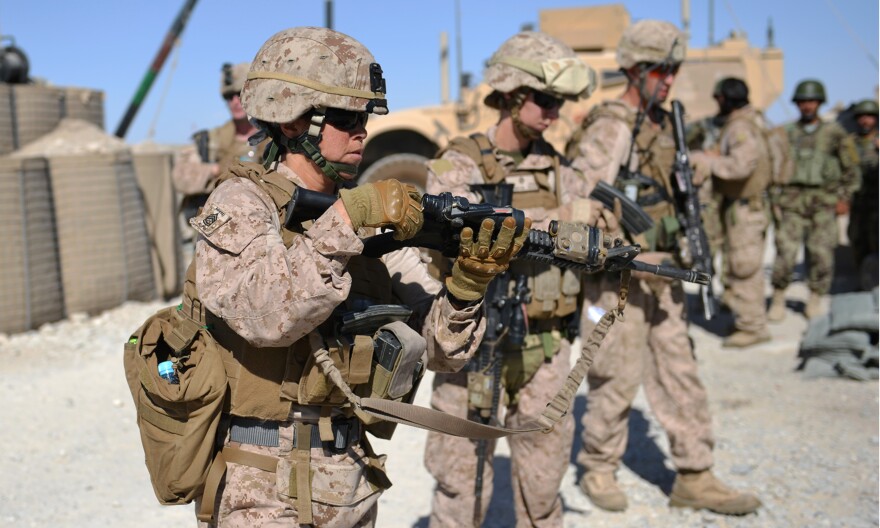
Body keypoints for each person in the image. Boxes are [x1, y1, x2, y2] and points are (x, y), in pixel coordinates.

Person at [188, 26, 528, 527]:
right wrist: (346, 222)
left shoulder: (364, 214)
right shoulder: (241, 204)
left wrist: (467, 287)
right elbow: (266, 318)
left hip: (349, 477)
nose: (361, 132)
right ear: (292, 122)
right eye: (345, 118)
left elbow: (442, 352)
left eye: (364, 117)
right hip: (262, 486)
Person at [567, 19, 762, 515]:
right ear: (633, 71)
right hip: (621, 275)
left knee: (680, 369)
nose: (669, 79)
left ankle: (695, 472)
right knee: (615, 373)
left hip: (666, 272)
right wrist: (614, 238)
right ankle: (598, 465)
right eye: (659, 70)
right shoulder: (613, 124)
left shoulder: (660, 125)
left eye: (673, 69)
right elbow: (579, 197)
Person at [422, 31, 598, 527]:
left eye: (558, 103)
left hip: (545, 344)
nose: (553, 113)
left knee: (543, 488)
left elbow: (595, 233)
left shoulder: (560, 169)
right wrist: (566, 220)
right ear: (512, 94)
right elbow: (461, 232)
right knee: (462, 488)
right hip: (476, 343)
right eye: (544, 100)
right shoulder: (458, 163)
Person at [691, 77, 773, 347]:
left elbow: (741, 166)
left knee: (744, 265)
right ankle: (747, 319)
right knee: (742, 264)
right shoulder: (748, 121)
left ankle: (752, 326)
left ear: (724, 99)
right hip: (743, 205)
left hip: (746, 207)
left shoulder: (739, 126)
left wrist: (708, 162)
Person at [768, 79, 860, 321]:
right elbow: (773, 166)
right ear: (797, 104)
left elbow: (851, 169)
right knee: (785, 252)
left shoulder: (835, 133)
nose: (807, 106)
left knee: (821, 253)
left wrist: (844, 198)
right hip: (792, 201)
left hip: (823, 200)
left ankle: (815, 297)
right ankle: (778, 297)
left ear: (819, 103)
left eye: (811, 101)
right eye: (803, 102)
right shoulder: (786, 133)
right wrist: (775, 197)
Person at [171, 62, 269, 225]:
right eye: (229, 97)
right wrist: (216, 169)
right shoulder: (210, 140)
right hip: (216, 227)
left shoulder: (274, 137)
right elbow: (180, 177)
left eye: (240, 94)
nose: (235, 102)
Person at [846, 99, 879, 287]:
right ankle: (864, 281)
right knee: (858, 242)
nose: (865, 121)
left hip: (877, 203)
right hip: (858, 203)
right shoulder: (849, 143)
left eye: (870, 117)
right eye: (862, 117)